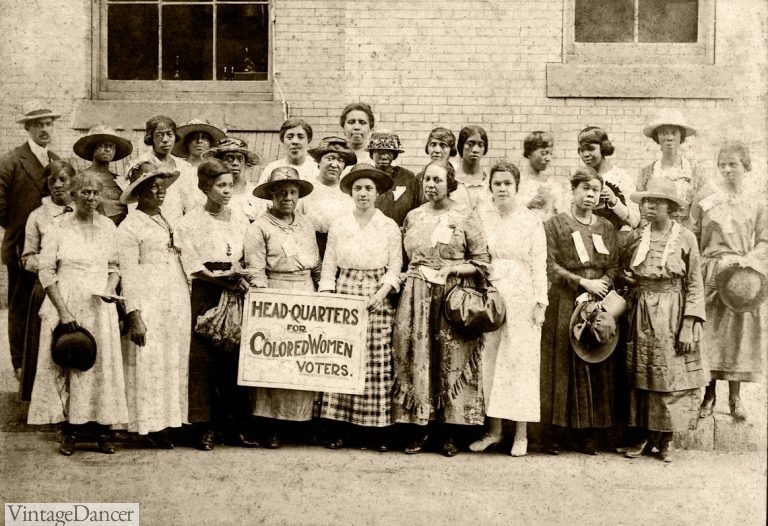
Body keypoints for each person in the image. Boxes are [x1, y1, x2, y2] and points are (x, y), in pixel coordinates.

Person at [392, 160, 490, 457]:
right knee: (419, 358)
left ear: (450, 183)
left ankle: (449, 434)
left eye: (438, 180)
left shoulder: (465, 216)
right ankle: (420, 429)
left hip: (452, 296)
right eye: (427, 180)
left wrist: (452, 272)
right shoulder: (413, 216)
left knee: (450, 359)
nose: (431, 185)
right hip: (416, 296)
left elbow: (482, 261)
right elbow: (405, 258)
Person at [27, 172, 129, 456]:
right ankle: (70, 430)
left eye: (95, 193)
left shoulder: (108, 227)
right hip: (67, 300)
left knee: (101, 367)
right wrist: (63, 310)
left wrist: (110, 289)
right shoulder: (57, 227)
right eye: (85, 192)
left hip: (99, 304)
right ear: (73, 194)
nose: (91, 198)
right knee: (70, 363)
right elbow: (46, 272)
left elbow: (114, 265)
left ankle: (103, 431)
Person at [622, 177, 707, 462]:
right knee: (643, 374)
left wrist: (688, 323)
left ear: (670, 207)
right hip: (641, 311)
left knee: (669, 376)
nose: (648, 206)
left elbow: (695, 283)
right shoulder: (637, 236)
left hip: (672, 312)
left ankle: (666, 440)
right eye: (646, 201)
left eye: (656, 201)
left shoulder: (685, 238)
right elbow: (626, 270)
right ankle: (643, 436)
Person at [318, 164, 401, 451]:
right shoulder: (340, 225)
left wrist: (383, 291)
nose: (363, 193)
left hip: (376, 293)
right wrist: (329, 295)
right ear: (351, 193)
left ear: (377, 193)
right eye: (357, 188)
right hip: (346, 290)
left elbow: (395, 266)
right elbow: (328, 263)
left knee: (376, 361)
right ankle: (339, 428)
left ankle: (375, 431)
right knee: (343, 358)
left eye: (368, 188)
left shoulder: (388, 225)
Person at [470, 161, 547, 457]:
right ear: (490, 187)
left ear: (517, 187)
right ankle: (494, 430)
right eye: (497, 183)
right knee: (490, 361)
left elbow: (539, 263)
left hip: (522, 295)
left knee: (521, 363)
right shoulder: (482, 217)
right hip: (491, 295)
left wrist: (540, 302)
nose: (502, 189)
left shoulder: (530, 220)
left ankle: (521, 434)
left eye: (507, 184)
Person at [540, 167, 618, 455]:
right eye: (584, 188)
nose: (590, 194)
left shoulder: (606, 228)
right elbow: (550, 264)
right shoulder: (555, 225)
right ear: (573, 191)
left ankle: (589, 434)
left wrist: (601, 285)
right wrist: (581, 282)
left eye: (595, 190)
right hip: (565, 299)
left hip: (598, 301)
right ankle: (556, 433)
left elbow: (614, 266)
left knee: (594, 361)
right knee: (562, 365)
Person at [177, 159, 254, 451]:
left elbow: (245, 256)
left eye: (229, 186)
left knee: (233, 358)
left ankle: (233, 426)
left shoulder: (240, 219)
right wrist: (224, 281)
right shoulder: (189, 222)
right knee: (203, 359)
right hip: (206, 292)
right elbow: (193, 266)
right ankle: (203, 427)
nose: (225, 191)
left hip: (236, 290)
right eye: (219, 186)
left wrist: (239, 279)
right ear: (204, 187)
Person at [245, 166, 321, 449]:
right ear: (271, 195)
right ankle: (271, 426)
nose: (288, 197)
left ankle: (299, 424)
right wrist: (266, 301)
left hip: (305, 293)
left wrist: (323, 291)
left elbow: (316, 264)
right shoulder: (259, 227)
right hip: (275, 294)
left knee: (303, 357)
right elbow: (256, 270)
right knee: (275, 358)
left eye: (293, 192)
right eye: (282, 192)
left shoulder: (306, 224)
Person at [117, 161, 192, 448]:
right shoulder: (130, 227)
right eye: (152, 186)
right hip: (149, 300)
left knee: (171, 361)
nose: (160, 190)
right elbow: (128, 275)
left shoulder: (165, 219)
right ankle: (147, 425)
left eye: (162, 185)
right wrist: (134, 314)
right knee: (149, 362)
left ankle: (170, 421)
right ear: (138, 192)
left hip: (173, 299)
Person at [692, 142, 768, 421]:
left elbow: (764, 239)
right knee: (710, 333)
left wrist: (748, 261)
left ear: (745, 166)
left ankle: (735, 398)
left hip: (741, 275)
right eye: (722, 164)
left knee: (738, 334)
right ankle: (708, 395)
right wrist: (702, 267)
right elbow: (694, 235)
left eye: (733, 164)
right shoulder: (707, 199)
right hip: (711, 272)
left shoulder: (757, 202)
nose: (727, 170)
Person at [0, 102, 61, 380]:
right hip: (21, 246)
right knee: (21, 304)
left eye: (48, 124)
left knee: (48, 302)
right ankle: (20, 366)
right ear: (27, 128)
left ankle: (44, 366)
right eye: (38, 124)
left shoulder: (56, 160)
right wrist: (20, 229)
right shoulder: (11, 161)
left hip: (55, 246)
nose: (44, 129)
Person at [19, 161, 74, 402]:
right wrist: (50, 261)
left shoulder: (83, 207)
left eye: (63, 179)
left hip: (80, 282)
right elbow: (27, 257)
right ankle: (50, 403)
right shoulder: (38, 215)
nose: (58, 185)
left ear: (73, 182)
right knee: (49, 349)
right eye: (53, 181)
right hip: (48, 286)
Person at [637, 109, 706, 230]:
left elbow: (700, 209)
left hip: (686, 232)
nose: (669, 137)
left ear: (681, 137)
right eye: (663, 133)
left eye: (673, 133)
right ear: (657, 137)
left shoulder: (696, 172)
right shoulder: (647, 172)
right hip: (655, 232)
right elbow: (642, 210)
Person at [132, 115, 203, 221]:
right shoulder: (141, 165)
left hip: (180, 225)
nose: (165, 140)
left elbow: (191, 202)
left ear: (175, 136)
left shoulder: (183, 166)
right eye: (159, 135)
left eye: (169, 134)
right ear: (151, 137)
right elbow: (133, 202)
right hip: (151, 223)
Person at [577, 126, 640, 231]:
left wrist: (614, 201)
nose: (585, 154)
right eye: (581, 150)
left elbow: (635, 221)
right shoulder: (580, 178)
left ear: (603, 148)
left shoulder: (621, 177)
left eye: (591, 149)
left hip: (617, 240)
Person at [303, 136, 357, 256]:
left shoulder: (348, 192)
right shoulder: (306, 189)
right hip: (309, 248)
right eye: (329, 158)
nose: (334, 164)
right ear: (318, 161)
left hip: (341, 250)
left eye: (341, 160)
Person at [73, 125, 133, 226]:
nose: (108, 150)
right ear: (93, 148)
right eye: (103, 145)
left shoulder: (119, 179)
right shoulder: (81, 178)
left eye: (111, 147)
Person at [202, 137, 264, 221]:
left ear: (245, 163)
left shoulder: (253, 193)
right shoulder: (209, 190)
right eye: (229, 158)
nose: (235, 163)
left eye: (240, 159)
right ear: (219, 161)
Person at [368, 131, 421, 227]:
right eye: (379, 151)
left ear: (395, 154)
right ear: (371, 154)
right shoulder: (365, 176)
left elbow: (415, 207)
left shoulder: (407, 177)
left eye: (389, 152)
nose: (384, 156)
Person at [517, 131, 568, 219]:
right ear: (529, 153)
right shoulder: (518, 182)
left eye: (550, 154)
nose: (548, 158)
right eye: (543, 153)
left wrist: (550, 203)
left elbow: (561, 214)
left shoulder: (553, 185)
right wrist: (528, 205)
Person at [258, 118, 318, 183]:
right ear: (282, 140)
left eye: (300, 137)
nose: (295, 141)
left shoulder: (317, 167)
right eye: (289, 137)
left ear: (308, 140)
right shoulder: (272, 168)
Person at [451, 125, 493, 213]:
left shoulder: (489, 180)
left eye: (480, 145)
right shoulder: (451, 179)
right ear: (461, 146)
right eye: (470, 144)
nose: (475, 150)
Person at [416, 127, 458, 204]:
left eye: (443, 145)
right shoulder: (420, 178)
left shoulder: (458, 178)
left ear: (451, 150)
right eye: (433, 144)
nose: (437, 150)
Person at [340, 102, 375, 169]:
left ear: (370, 129)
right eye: (351, 122)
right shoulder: (335, 155)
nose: (356, 127)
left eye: (362, 122)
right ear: (343, 127)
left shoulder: (377, 158)